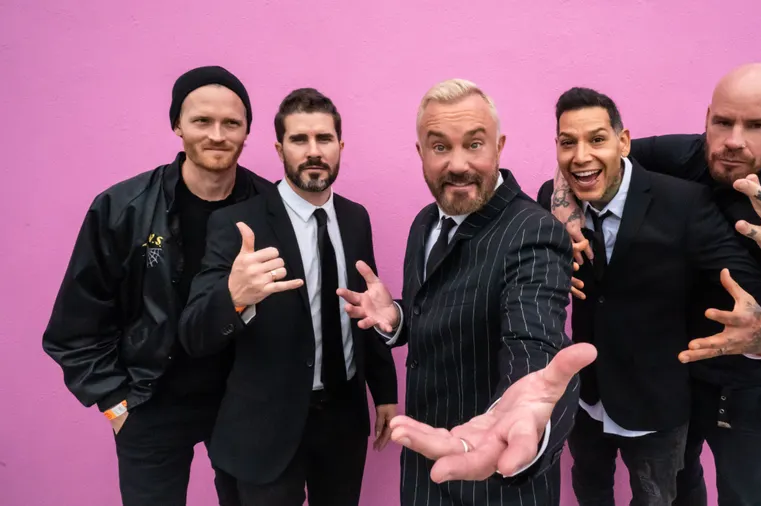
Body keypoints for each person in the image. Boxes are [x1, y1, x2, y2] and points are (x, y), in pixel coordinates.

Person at [544, 63, 761, 505]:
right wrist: (565, 210)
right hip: (675, 374)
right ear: (708, 116)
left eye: (757, 126)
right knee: (680, 492)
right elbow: (593, 157)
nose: (733, 140)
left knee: (745, 498)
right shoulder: (684, 155)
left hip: (747, 384)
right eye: (723, 122)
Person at [336, 78, 590, 506]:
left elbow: (532, 338)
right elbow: (441, 313)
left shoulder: (534, 231)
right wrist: (397, 320)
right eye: (440, 147)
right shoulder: (424, 222)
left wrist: (522, 417)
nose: (457, 164)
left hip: (495, 483)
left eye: (474, 144)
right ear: (420, 152)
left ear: (498, 147)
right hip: (424, 473)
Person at [42, 66, 270, 506]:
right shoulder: (122, 208)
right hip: (150, 402)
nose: (217, 135)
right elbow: (75, 323)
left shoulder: (270, 207)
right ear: (177, 125)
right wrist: (114, 401)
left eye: (231, 123)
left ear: (247, 131)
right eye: (202, 121)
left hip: (242, 403)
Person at [178, 88, 399, 506]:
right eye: (299, 139)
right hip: (265, 429)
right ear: (280, 149)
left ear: (340, 146)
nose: (313, 151)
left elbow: (366, 307)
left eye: (324, 139)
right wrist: (234, 297)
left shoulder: (356, 218)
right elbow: (194, 333)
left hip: (343, 421)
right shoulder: (237, 223)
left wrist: (385, 392)